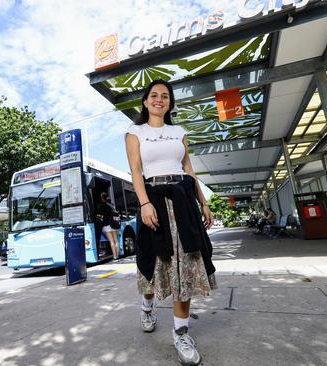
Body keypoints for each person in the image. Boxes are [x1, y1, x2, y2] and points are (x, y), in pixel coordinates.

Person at [125, 79, 216, 366]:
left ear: (170, 102)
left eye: (165, 96)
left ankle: (181, 334)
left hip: (183, 200)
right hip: (153, 200)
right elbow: (136, 172)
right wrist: (144, 204)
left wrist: (203, 201)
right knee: (153, 262)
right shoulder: (134, 132)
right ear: (145, 101)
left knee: (187, 264)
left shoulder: (179, 132)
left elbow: (188, 169)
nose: (159, 100)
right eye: (154, 95)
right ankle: (148, 305)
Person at [95, 192, 120, 261]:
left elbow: (99, 215)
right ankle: (117, 256)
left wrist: (99, 217)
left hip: (107, 225)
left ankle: (114, 257)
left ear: (103, 199)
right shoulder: (112, 205)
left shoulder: (103, 206)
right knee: (116, 241)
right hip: (114, 224)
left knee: (111, 241)